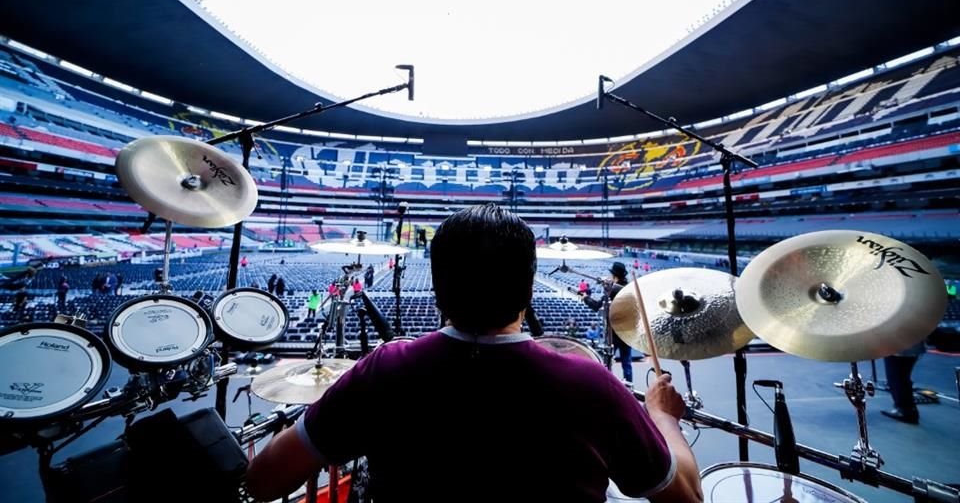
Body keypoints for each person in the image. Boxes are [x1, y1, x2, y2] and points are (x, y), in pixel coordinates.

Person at [246, 204, 701, 503]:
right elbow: (685, 499)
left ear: (440, 290)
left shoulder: (385, 371)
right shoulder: (588, 383)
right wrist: (664, 418)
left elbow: (265, 480)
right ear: (527, 290)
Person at [584, 261, 638, 386]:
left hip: (614, 331)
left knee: (607, 360)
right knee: (627, 363)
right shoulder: (629, 288)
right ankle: (629, 389)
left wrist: (585, 298)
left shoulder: (613, 290)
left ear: (615, 275)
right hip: (628, 330)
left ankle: (606, 385)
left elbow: (597, 306)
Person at [881, 341, 925, 424]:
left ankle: (904, 410)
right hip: (914, 347)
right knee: (903, 377)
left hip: (898, 348)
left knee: (896, 378)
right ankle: (909, 409)